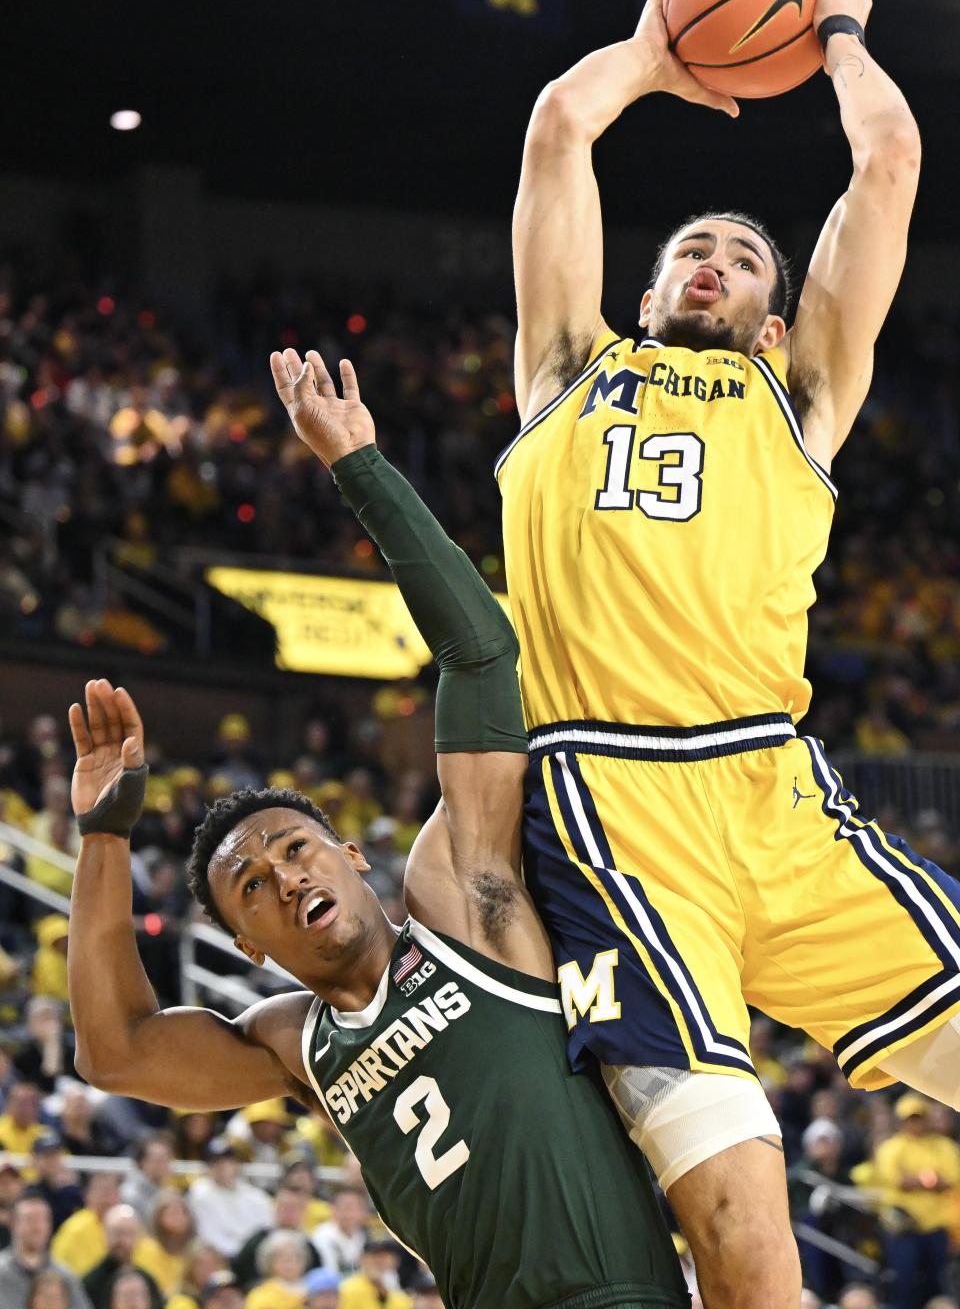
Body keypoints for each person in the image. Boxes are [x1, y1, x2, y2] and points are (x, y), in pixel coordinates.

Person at [505, 0, 946, 1309]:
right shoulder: (566, 369)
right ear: (642, 294)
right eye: (691, 249)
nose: (711, 261)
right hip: (615, 804)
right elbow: (561, 134)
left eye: (743, 259)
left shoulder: (802, 394)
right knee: (747, 1233)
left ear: (773, 316)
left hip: (775, 789)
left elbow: (887, 164)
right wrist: (650, 51)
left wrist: (839, 29)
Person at [66, 348, 689, 1309]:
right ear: (247, 945)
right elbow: (118, 1051)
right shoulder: (293, 1043)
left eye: (295, 849)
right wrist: (105, 838)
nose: (283, 878)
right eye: (254, 887)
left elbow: (481, 655)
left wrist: (359, 466)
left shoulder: (462, 903)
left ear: (353, 858)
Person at [870, 1093, 960, 1309]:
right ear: (901, 1121)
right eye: (910, 1118)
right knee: (904, 1282)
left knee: (937, 1283)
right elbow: (898, 1181)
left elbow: (952, 1180)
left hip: (937, 1226)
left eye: (919, 1117)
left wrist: (917, 1180)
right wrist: (929, 1180)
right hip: (904, 1227)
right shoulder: (891, 1147)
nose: (915, 1123)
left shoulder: (944, 1146)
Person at [0, 1193, 91, 1309]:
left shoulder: (64, 1275)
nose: (37, 1227)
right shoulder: (2, 1273)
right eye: (30, 1219)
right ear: (13, 1223)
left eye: (43, 1220)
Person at [186, 1140, 273, 1259]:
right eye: (217, 1163)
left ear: (237, 1164)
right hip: (219, 1257)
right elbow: (207, 1235)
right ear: (209, 1166)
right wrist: (239, 1253)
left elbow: (266, 1227)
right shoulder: (199, 1194)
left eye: (228, 1162)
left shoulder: (255, 1195)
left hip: (253, 1255)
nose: (223, 1167)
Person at [81, 1204, 162, 1309]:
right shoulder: (90, 1283)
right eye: (117, 1233)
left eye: (129, 1234)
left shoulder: (148, 1279)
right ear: (105, 1236)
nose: (123, 1241)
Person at [309, 1187, 368, 1279]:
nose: (346, 1213)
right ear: (332, 1208)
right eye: (342, 1206)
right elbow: (329, 1273)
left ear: (363, 1212)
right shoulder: (322, 1235)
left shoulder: (364, 1237)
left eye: (351, 1208)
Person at [244, 1229, 310, 1309]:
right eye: (282, 1257)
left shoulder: (314, 1289)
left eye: (295, 1256)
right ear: (269, 1261)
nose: (289, 1262)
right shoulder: (260, 1295)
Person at [338, 1240, 409, 1309]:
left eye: (384, 1256)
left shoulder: (399, 1295)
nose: (379, 1261)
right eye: (375, 1256)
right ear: (362, 1259)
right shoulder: (350, 1289)